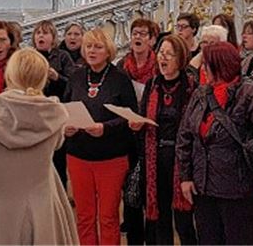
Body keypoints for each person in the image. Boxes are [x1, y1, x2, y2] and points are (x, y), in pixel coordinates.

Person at [0, 48, 78, 245]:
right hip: (43, 213)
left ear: (8, 75)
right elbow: (55, 147)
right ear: (43, 78)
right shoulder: (54, 120)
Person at [176, 42, 253, 245]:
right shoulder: (201, 94)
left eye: (207, 64)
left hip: (238, 189)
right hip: (203, 187)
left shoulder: (251, 94)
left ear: (220, 65)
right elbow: (185, 136)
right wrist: (185, 176)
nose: (202, 69)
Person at [63, 29, 138, 245]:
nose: (92, 51)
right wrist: (66, 125)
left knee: (108, 216)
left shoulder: (120, 78)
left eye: (98, 47)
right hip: (78, 155)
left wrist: (104, 127)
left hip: (111, 157)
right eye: (88, 46)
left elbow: (130, 116)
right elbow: (64, 107)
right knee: (84, 216)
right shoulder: (76, 76)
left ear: (108, 51)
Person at [128, 34, 197, 245]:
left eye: (169, 54)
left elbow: (194, 126)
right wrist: (137, 125)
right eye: (161, 53)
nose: (163, 58)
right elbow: (143, 115)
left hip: (181, 158)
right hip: (155, 156)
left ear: (181, 58)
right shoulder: (153, 84)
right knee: (160, 218)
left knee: (184, 221)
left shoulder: (191, 86)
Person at [117, 18, 160, 245]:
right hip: (127, 136)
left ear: (152, 40)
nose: (138, 37)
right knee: (130, 193)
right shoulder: (121, 67)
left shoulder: (159, 67)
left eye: (143, 34)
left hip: (152, 136)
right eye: (135, 33)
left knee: (151, 192)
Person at [31, 20, 75, 186]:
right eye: (38, 33)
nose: (41, 36)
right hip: (35, 113)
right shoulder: (30, 56)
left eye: (45, 33)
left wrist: (57, 77)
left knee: (58, 160)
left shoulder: (62, 56)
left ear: (53, 38)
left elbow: (72, 83)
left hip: (56, 112)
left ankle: (60, 193)